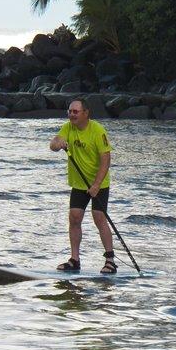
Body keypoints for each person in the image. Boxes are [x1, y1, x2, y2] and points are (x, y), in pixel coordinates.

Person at [50, 98, 117, 274]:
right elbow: (54, 143)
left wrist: (96, 185)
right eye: (70, 111)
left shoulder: (97, 131)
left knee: (99, 217)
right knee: (74, 217)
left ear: (85, 113)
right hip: (79, 183)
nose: (71, 115)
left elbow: (106, 160)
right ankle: (75, 260)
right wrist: (58, 144)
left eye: (75, 112)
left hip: (99, 182)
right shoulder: (68, 127)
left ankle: (110, 260)